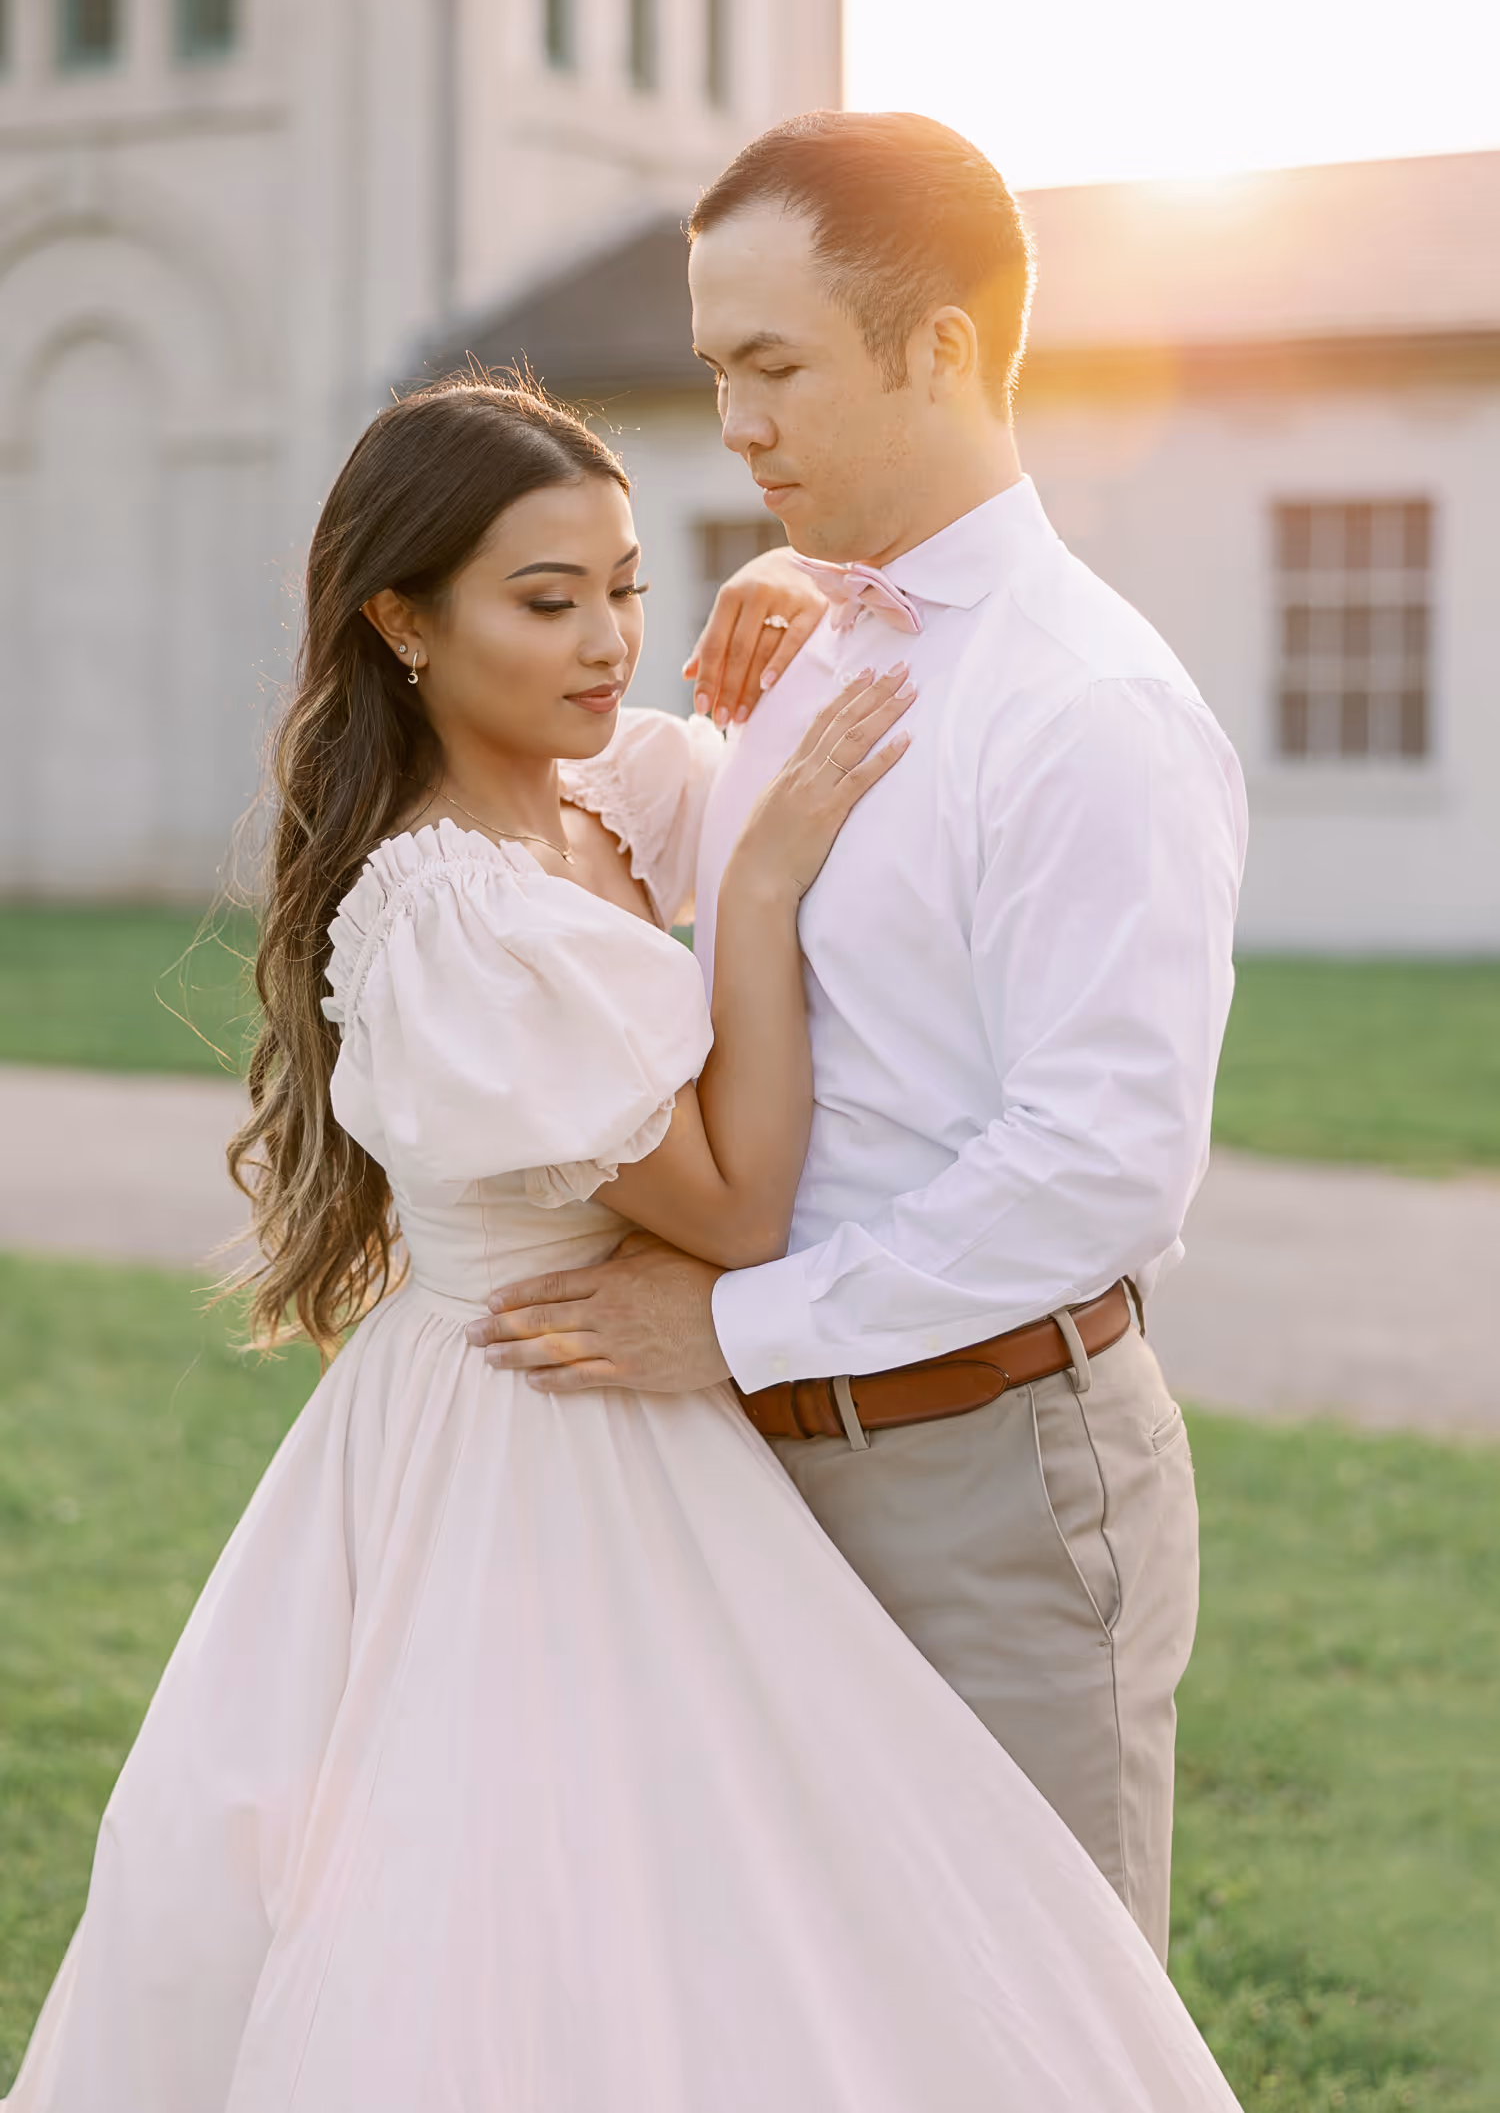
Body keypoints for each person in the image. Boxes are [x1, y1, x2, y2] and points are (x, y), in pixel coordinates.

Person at [4, 375, 1241, 2109]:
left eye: (629, 585)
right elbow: (732, 1201)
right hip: (526, 1436)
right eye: (546, 598)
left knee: (756, 1923)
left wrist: (791, 606)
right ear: (401, 621)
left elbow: (735, 759)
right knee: (534, 1911)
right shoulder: (450, 907)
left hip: (656, 1420)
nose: (607, 642)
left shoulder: (598, 797)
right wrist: (752, 898)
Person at [467, 111, 1250, 1966]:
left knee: (1033, 2035)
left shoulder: (1094, 710)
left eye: (774, 364)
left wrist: (728, 1321)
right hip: (750, 1477)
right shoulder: (806, 639)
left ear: (945, 349)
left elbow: (1102, 1164)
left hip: (992, 1486)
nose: (732, 419)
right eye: (713, 366)